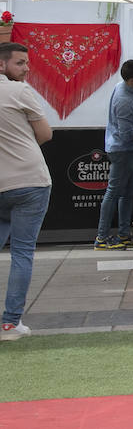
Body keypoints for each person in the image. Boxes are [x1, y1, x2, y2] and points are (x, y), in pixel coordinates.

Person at [0, 42, 52, 341]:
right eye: (20, 63)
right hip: (30, 181)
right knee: (22, 253)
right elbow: (45, 134)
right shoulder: (20, 92)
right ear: (2, 65)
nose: (26, 68)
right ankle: (10, 324)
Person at [95, 59, 133, 250]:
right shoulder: (124, 100)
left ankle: (124, 234)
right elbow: (126, 135)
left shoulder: (123, 87)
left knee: (128, 191)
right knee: (114, 191)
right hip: (122, 150)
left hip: (127, 150)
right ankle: (102, 237)